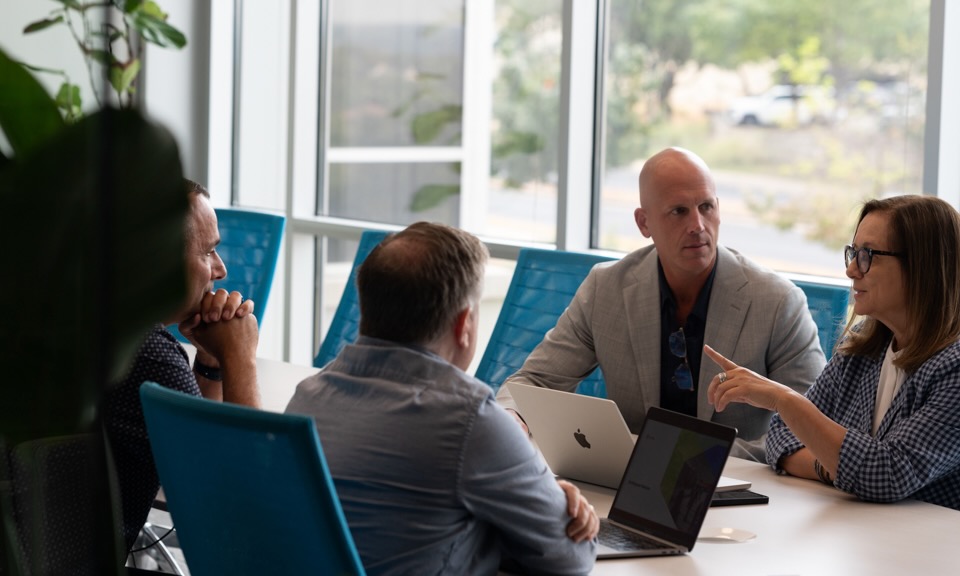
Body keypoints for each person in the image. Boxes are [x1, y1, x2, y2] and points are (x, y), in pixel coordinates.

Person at [285, 222, 597, 575]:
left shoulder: (307, 398)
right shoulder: (469, 419)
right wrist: (548, 504)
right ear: (464, 324)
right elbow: (571, 557)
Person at [497, 147, 825, 459]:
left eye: (706, 207)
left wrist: (703, 458)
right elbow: (533, 383)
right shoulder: (607, 288)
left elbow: (818, 424)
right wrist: (511, 418)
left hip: (742, 486)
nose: (697, 225)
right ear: (644, 223)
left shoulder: (778, 302)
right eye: (679, 211)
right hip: (631, 483)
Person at [707, 195, 960, 510]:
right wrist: (834, 467)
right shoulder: (862, 350)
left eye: (868, 255)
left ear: (923, 266)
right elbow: (780, 439)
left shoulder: (954, 367)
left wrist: (784, 399)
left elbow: (890, 473)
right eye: (853, 253)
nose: (853, 270)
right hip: (862, 540)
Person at [102, 180, 261, 551]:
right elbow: (242, 498)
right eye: (208, 253)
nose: (220, 270)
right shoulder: (145, 355)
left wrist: (209, 362)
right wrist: (241, 359)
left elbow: (191, 444)